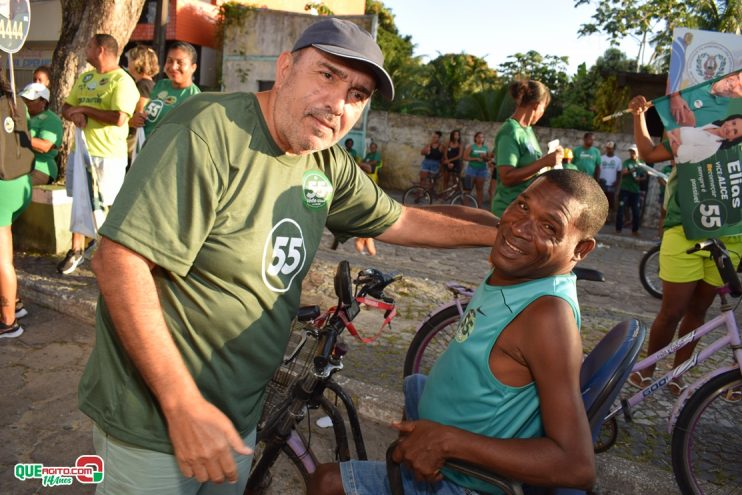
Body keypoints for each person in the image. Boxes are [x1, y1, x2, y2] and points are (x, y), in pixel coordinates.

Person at [80, 19, 500, 494]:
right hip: (154, 418)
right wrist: (181, 404)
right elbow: (119, 261)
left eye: (357, 94)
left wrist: (502, 234)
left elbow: (401, 219)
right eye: (326, 75)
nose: (338, 104)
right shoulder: (209, 130)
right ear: (284, 69)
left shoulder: (326, 162)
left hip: (235, 416)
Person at [308, 170, 606, 495]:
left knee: (326, 483)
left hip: (463, 483)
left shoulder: (547, 316)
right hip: (454, 432)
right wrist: (383, 220)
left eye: (550, 226)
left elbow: (576, 466)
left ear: (581, 249)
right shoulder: (525, 262)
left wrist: (447, 443)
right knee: (415, 385)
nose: (518, 228)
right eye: (522, 206)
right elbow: (472, 217)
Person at [626, 95, 742, 395]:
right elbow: (649, 154)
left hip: (730, 236)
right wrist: (638, 115)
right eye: (732, 125)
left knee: (699, 311)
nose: (734, 130)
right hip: (684, 229)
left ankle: (678, 372)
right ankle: (647, 368)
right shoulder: (691, 135)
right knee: (672, 310)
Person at [59, 34, 139, 275]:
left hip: (107, 155)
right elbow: (65, 106)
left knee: (107, 204)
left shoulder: (122, 81)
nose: (85, 49)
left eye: (89, 46)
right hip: (80, 151)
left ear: (101, 50)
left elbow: (119, 118)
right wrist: (73, 113)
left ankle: (109, 253)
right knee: (80, 199)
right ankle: (76, 250)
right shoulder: (86, 77)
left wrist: (84, 109)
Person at [491, 80, 562, 217]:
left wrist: (549, 163)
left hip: (524, 210)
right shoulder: (510, 131)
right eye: (544, 108)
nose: (543, 113)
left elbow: (530, 167)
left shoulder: (528, 130)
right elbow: (507, 176)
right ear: (537, 105)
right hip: (508, 211)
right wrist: (544, 162)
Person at [0, 73, 32, 338]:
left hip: (1, 185)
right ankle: (15, 304)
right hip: (19, 182)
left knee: (2, 260)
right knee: (6, 253)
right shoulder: (16, 102)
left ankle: (8, 322)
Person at [130, 41, 200, 139]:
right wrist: (135, 120)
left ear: (193, 67)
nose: (173, 67)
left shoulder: (195, 97)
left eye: (180, 62)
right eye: (170, 61)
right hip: (146, 149)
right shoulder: (161, 85)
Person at [655, 70, 742, 130]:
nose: (734, 84)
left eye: (740, 88)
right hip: (651, 93)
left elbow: (685, 120)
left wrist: (673, 91)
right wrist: (675, 97)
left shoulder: (720, 110)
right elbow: (675, 72)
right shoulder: (711, 70)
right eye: (738, 77)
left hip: (656, 123)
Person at [19, 83, 63, 186]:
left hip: (39, 169)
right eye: (24, 99)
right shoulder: (22, 117)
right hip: (18, 166)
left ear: (43, 102)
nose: (26, 103)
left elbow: (45, 146)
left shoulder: (51, 119)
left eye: (30, 100)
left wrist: (17, 137)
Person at [125, 45, 159, 161]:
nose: (127, 63)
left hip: (134, 141)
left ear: (136, 62)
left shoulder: (142, 86)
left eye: (129, 60)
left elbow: (138, 117)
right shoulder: (150, 85)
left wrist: (123, 121)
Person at [665, 115, 742, 164]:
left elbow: (676, 151)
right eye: (733, 123)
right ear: (728, 120)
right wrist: (675, 130)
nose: (729, 128)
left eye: (735, 132)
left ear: (732, 140)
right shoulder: (712, 123)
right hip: (666, 131)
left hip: (665, 149)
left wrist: (674, 129)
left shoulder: (711, 148)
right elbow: (684, 122)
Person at [615, 145, 646, 236]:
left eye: (633, 152)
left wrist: (639, 179)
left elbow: (645, 176)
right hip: (625, 189)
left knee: (636, 211)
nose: (632, 153)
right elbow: (623, 173)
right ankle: (618, 229)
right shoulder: (626, 162)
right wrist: (631, 171)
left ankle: (635, 230)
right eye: (631, 152)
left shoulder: (641, 163)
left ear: (638, 153)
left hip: (635, 191)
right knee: (621, 209)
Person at [463, 131, 489, 207]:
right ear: (475, 138)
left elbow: (487, 159)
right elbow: (465, 157)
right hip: (472, 169)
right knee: (468, 189)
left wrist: (485, 157)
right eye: (479, 137)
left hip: (482, 170)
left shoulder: (485, 148)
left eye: (482, 137)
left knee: (480, 189)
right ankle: (465, 207)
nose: (481, 139)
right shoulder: (471, 147)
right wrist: (475, 159)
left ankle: (479, 208)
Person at [598, 141, 622, 219]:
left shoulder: (618, 160)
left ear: (614, 149)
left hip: (611, 184)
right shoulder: (601, 158)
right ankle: (601, 217)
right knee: (601, 201)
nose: (609, 150)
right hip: (602, 183)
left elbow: (619, 173)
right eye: (608, 148)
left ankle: (609, 217)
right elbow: (598, 170)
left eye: (611, 148)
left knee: (611, 201)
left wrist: (617, 183)